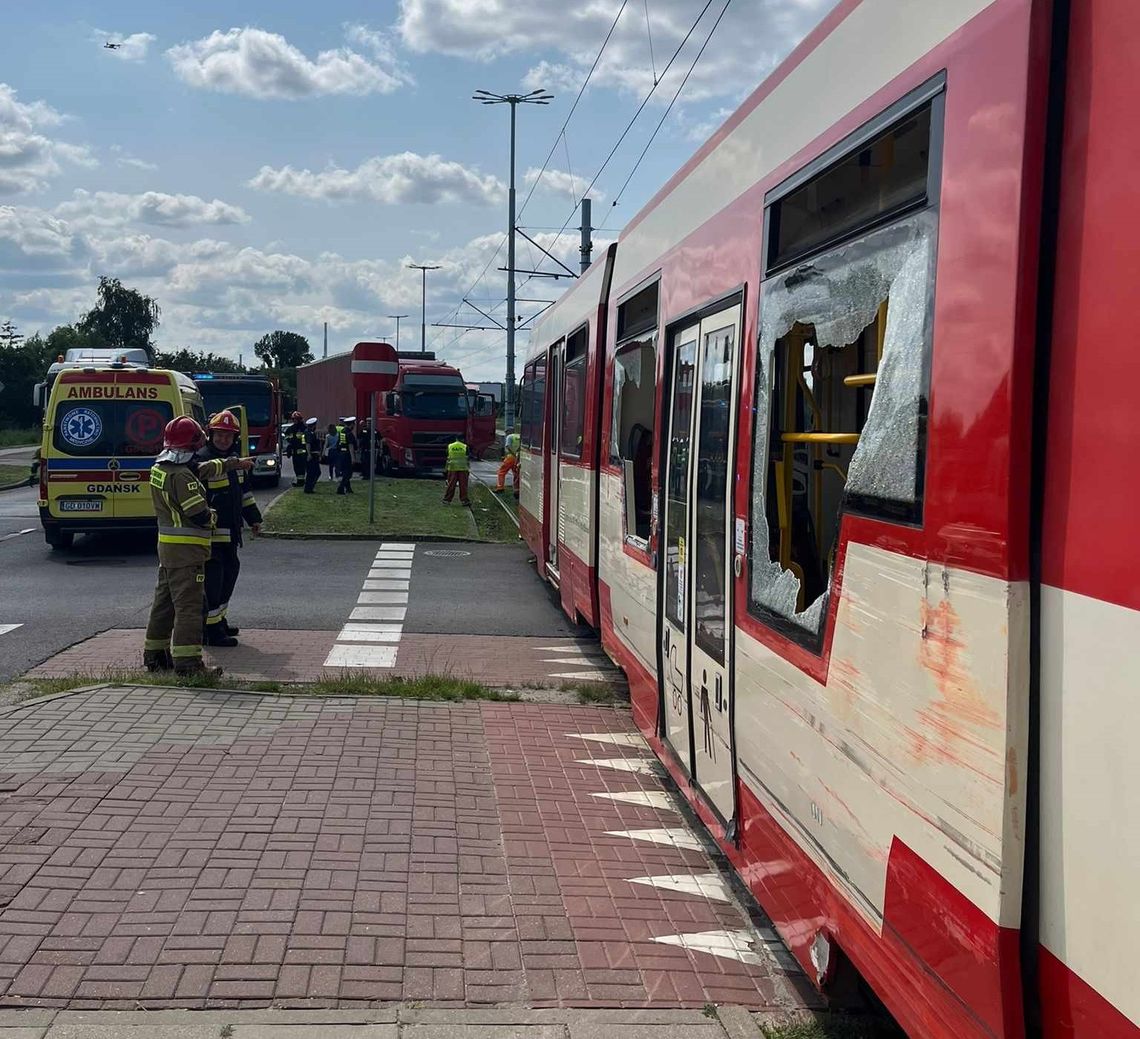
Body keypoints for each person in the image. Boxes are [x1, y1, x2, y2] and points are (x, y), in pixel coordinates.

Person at [143, 417, 252, 675]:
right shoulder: (184, 477)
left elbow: (203, 468)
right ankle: (189, 664)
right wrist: (214, 516)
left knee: (164, 605)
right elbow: (199, 514)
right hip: (188, 551)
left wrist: (233, 463)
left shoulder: (162, 468)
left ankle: (155, 655)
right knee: (190, 608)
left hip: (168, 550)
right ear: (192, 442)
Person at [195, 410, 263, 646]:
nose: (224, 440)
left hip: (230, 535)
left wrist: (254, 518)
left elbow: (244, 495)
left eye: (229, 436)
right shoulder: (203, 460)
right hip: (210, 537)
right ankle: (210, 632)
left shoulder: (235, 461)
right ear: (211, 434)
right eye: (220, 435)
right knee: (213, 583)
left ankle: (219, 622)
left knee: (228, 576)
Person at [442, 433, 471, 506]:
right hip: (463, 469)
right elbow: (468, 457)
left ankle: (447, 500)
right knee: (463, 485)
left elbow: (447, 456)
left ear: (456, 439)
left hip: (452, 468)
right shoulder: (465, 447)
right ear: (463, 439)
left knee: (451, 485)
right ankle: (464, 501)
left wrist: (445, 469)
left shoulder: (450, 446)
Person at [284, 410, 307, 487]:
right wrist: (290, 444)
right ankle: (300, 481)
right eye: (293, 419)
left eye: (296, 419)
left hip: (302, 451)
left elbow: (306, 439)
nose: (295, 420)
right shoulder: (291, 428)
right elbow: (287, 436)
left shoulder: (304, 428)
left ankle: (301, 482)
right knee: (296, 467)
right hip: (294, 451)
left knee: (302, 467)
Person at [496, 430, 521, 497]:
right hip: (518, 458)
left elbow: (507, 446)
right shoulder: (519, 436)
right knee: (516, 474)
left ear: (508, 432)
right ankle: (517, 490)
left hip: (510, 457)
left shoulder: (509, 437)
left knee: (501, 472)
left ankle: (500, 488)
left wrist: (513, 454)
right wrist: (517, 456)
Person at [337, 417, 357, 495]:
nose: (354, 426)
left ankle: (348, 489)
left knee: (345, 472)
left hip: (342, 454)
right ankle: (340, 488)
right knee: (348, 473)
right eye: (353, 424)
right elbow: (350, 446)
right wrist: (353, 458)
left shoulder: (342, 432)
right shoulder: (349, 434)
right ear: (351, 424)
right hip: (347, 455)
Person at [303, 417, 323, 493]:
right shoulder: (309, 433)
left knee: (314, 472)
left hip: (313, 455)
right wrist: (309, 454)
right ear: (313, 425)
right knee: (313, 472)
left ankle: (309, 488)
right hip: (312, 456)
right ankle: (308, 488)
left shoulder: (309, 432)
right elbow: (308, 444)